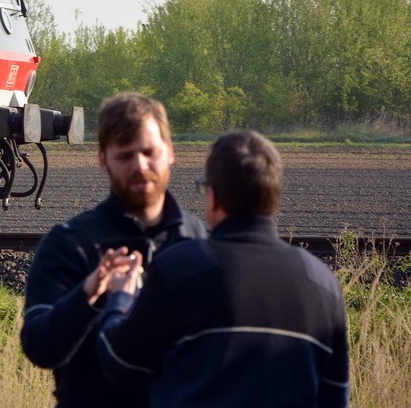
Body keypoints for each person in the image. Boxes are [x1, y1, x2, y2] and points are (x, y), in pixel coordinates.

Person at [95, 130, 349, 407]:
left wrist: (122, 295)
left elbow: (118, 361)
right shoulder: (324, 284)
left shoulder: (180, 268)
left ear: (213, 197)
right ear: (273, 195)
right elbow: (335, 397)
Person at [20, 91, 207, 408]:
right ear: (103, 160)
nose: (139, 165)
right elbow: (40, 348)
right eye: (125, 155)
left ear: (170, 153)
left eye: (149, 152)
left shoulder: (201, 241)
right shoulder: (69, 242)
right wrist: (88, 295)